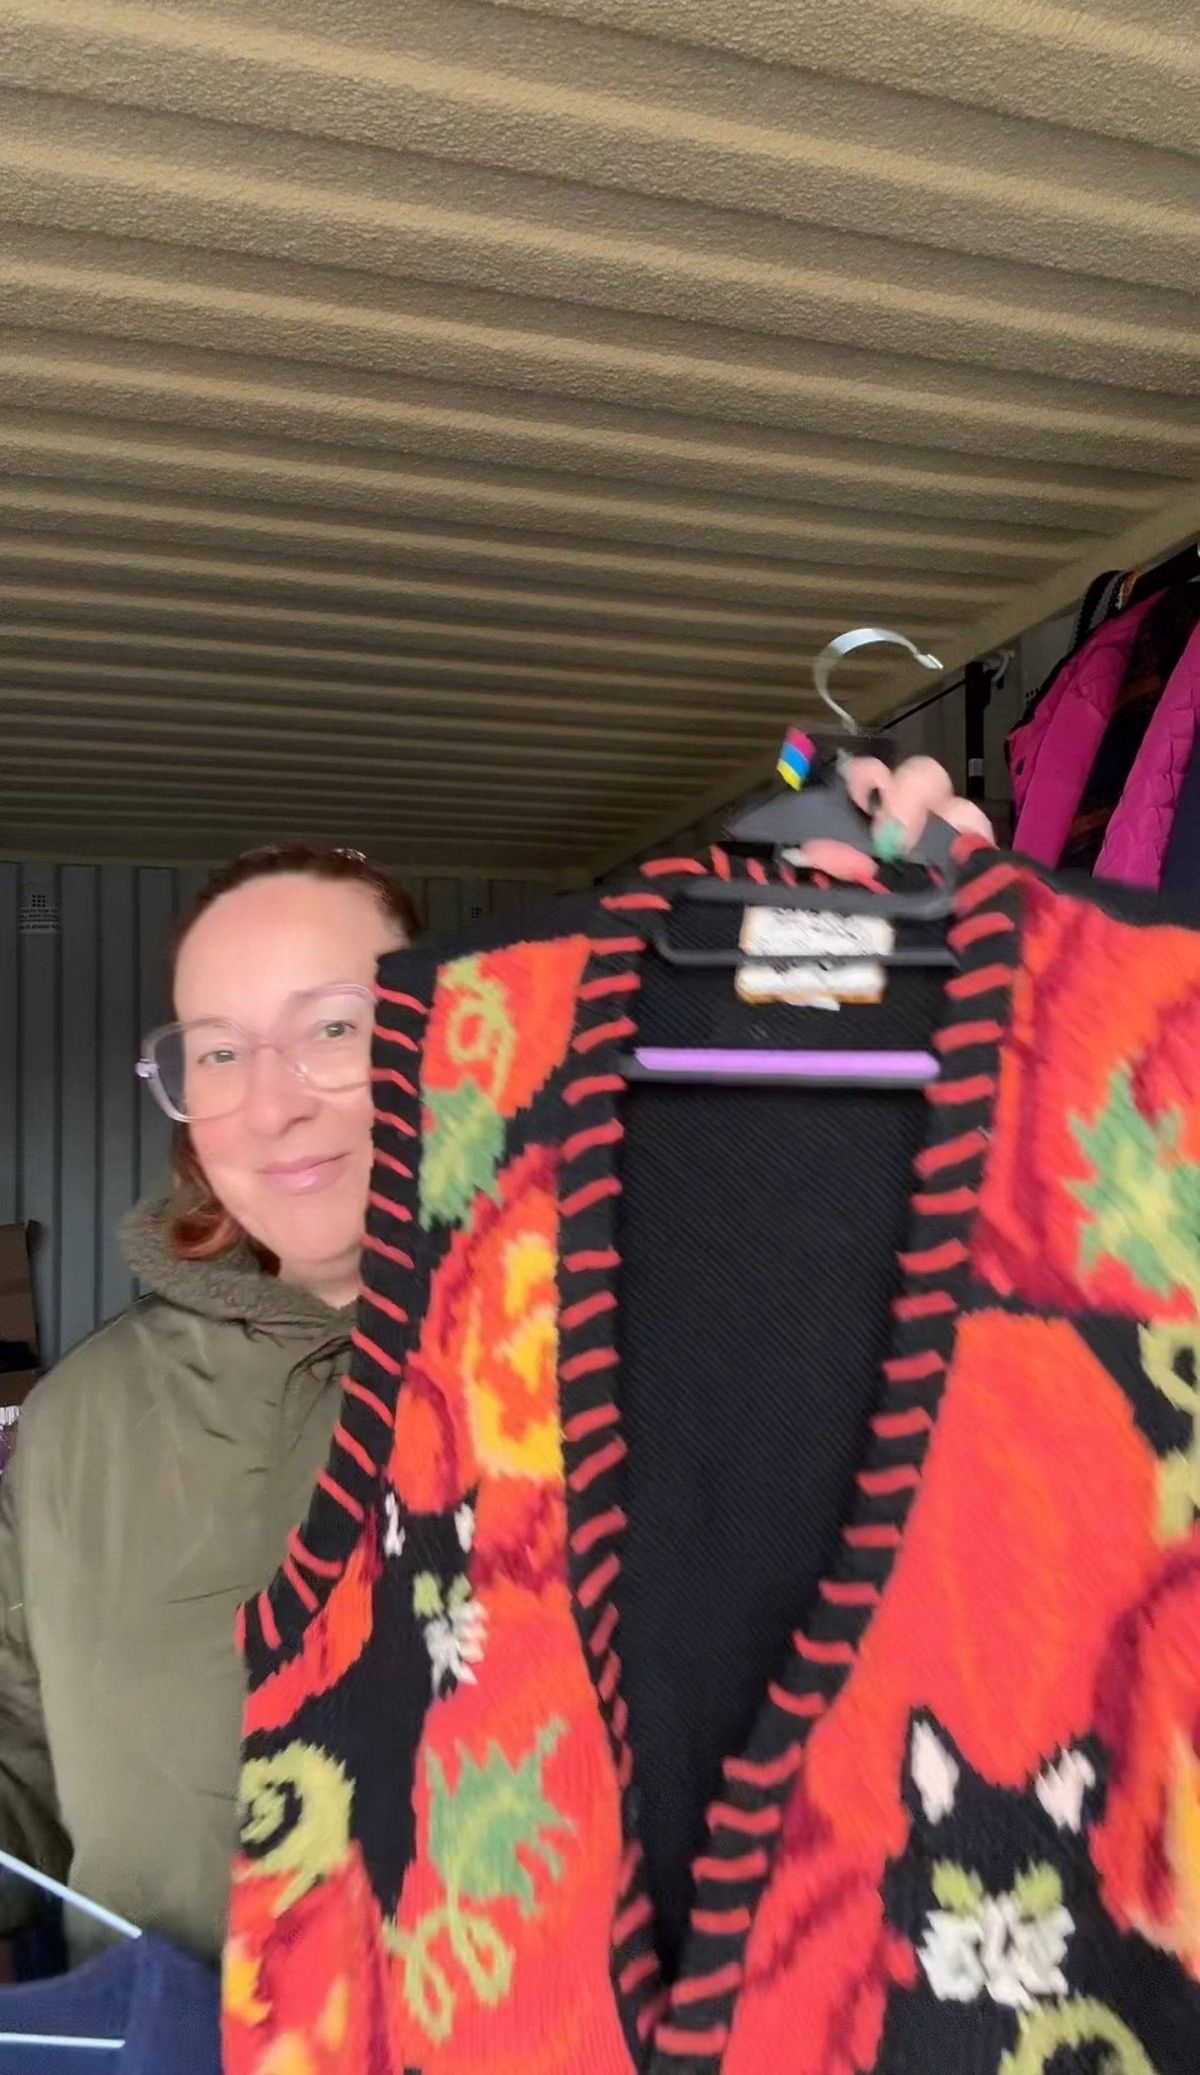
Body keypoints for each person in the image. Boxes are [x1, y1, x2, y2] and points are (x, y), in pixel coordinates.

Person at [0, 845, 416, 1968]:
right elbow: (18, 1765)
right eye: (219, 1050)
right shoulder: (80, 1415)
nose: (271, 1104)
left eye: (336, 1027)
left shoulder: (605, 1364)